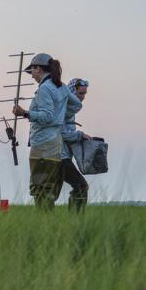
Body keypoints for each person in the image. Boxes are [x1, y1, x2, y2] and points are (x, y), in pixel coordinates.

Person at [12, 53, 68, 211]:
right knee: (48, 188)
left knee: (40, 188)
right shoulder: (61, 87)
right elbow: (76, 104)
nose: (32, 76)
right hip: (55, 143)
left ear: (38, 68)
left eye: (32, 71)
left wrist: (25, 113)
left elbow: (47, 116)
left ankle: (44, 225)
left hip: (42, 144)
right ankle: (48, 224)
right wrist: (62, 117)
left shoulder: (45, 88)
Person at [59, 78, 91, 211]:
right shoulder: (64, 109)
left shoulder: (70, 110)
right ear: (72, 92)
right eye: (80, 94)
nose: (83, 97)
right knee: (81, 186)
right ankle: (75, 218)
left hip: (63, 155)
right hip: (60, 156)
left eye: (84, 94)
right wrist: (80, 135)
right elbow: (61, 132)